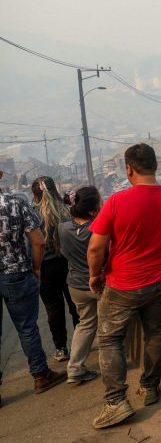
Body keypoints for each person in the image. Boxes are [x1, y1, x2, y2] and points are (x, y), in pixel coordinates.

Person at [87, 143, 161, 429]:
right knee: (156, 332)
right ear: (155, 167)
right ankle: (149, 387)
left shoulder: (116, 202)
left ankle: (116, 402)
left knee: (110, 339)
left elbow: (96, 248)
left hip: (124, 283)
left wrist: (95, 275)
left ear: (129, 169)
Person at [0, 173, 67, 407]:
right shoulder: (16, 203)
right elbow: (38, 241)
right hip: (17, 272)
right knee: (27, 328)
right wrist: (36, 269)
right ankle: (41, 375)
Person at [30, 176, 80, 362]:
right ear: (54, 190)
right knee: (75, 304)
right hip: (68, 263)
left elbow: (35, 244)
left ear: (35, 195)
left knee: (53, 309)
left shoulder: (32, 214)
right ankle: (79, 344)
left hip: (46, 267)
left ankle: (61, 348)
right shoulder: (66, 210)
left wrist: (35, 268)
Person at [58, 186, 103, 385]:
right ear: (94, 208)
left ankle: (74, 369)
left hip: (75, 285)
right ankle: (110, 367)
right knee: (108, 327)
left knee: (85, 324)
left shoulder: (63, 228)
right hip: (99, 283)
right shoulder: (98, 229)